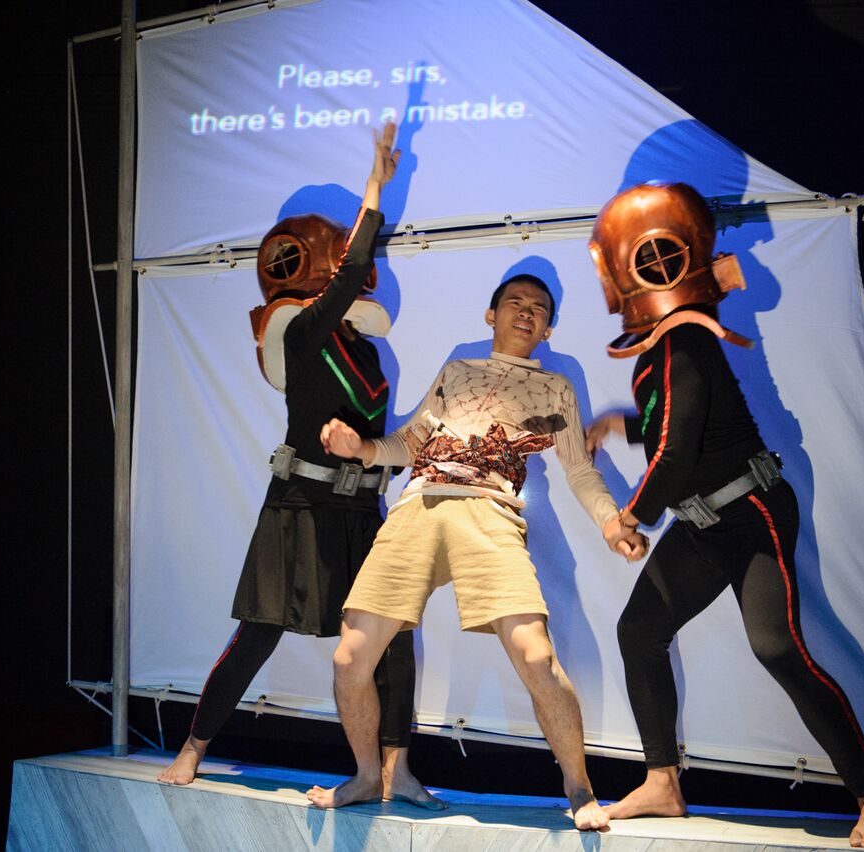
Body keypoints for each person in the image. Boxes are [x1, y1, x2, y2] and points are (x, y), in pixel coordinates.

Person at [583, 182, 864, 848]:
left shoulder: (685, 338)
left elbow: (677, 450)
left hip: (751, 513)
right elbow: (678, 424)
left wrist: (630, 517)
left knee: (778, 649)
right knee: (641, 630)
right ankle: (662, 782)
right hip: (705, 522)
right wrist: (622, 425)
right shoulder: (669, 342)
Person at [157, 123, 441, 809]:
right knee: (261, 631)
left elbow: (379, 434)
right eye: (340, 259)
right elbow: (349, 272)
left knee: (394, 637)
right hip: (301, 507)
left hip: (360, 510)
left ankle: (394, 771)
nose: (350, 269)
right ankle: (193, 747)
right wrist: (374, 187)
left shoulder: (369, 349)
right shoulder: (304, 331)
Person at [309, 273, 648, 831]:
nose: (526, 311)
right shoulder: (457, 370)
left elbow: (580, 468)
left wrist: (612, 522)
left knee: (536, 657)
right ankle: (369, 776)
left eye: (539, 308)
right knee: (350, 659)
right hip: (417, 508)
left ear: (548, 328)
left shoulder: (556, 387)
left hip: (490, 514)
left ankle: (579, 788)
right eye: (514, 302)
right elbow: (409, 443)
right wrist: (362, 447)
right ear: (491, 315)